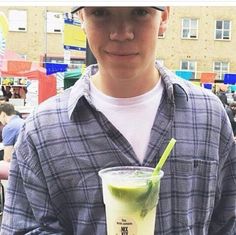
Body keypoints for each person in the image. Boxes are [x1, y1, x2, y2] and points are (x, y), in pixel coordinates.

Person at [1, 6, 236, 235]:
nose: (121, 33)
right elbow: (23, 228)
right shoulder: (41, 130)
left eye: (139, 12)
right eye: (101, 12)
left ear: (164, 16)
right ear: (82, 17)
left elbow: (227, 222)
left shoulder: (209, 116)